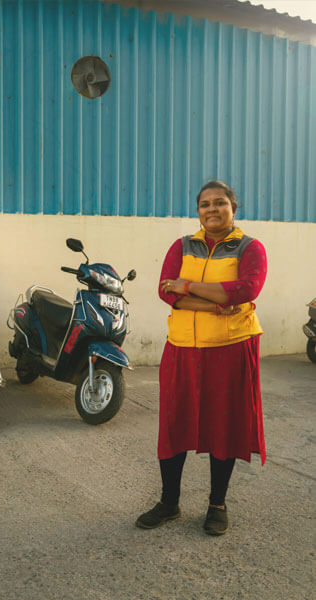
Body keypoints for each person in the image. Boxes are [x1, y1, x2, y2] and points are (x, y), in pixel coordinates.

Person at [136, 180, 267, 535]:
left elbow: (246, 290)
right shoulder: (182, 246)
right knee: (174, 424)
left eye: (220, 203)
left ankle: (217, 505)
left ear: (233, 208)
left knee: (222, 426)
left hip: (230, 348)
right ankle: (169, 502)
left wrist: (188, 286)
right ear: (198, 210)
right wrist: (217, 302)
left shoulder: (250, 248)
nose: (212, 209)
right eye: (205, 204)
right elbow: (166, 290)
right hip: (181, 346)